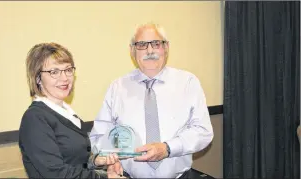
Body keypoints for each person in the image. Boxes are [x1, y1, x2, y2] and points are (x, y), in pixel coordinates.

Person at [89, 23, 214, 178]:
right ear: (132, 50)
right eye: (141, 45)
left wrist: (167, 148)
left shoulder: (188, 83)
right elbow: (99, 137)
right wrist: (111, 158)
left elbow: (203, 132)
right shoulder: (117, 88)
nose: (150, 51)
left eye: (156, 43)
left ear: (166, 47)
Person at [19, 42, 125, 178]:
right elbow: (56, 173)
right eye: (54, 72)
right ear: (38, 78)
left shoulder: (66, 113)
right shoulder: (35, 118)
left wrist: (97, 161)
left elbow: (73, 160)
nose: (64, 78)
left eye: (68, 70)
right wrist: (106, 177)